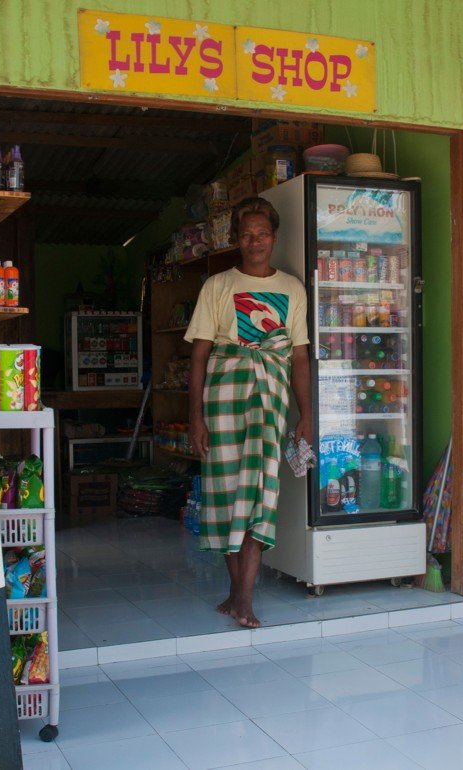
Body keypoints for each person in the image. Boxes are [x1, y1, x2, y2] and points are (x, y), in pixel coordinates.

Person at [185, 196, 311, 629]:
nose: (254, 241)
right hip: (221, 404)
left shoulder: (292, 289)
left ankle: (244, 598)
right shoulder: (217, 286)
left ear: (274, 237)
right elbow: (199, 356)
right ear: (236, 240)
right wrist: (195, 418)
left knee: (260, 494)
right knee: (224, 496)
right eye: (246, 234)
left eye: (261, 233)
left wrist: (305, 415)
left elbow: (298, 359)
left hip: (270, 406)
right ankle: (235, 594)